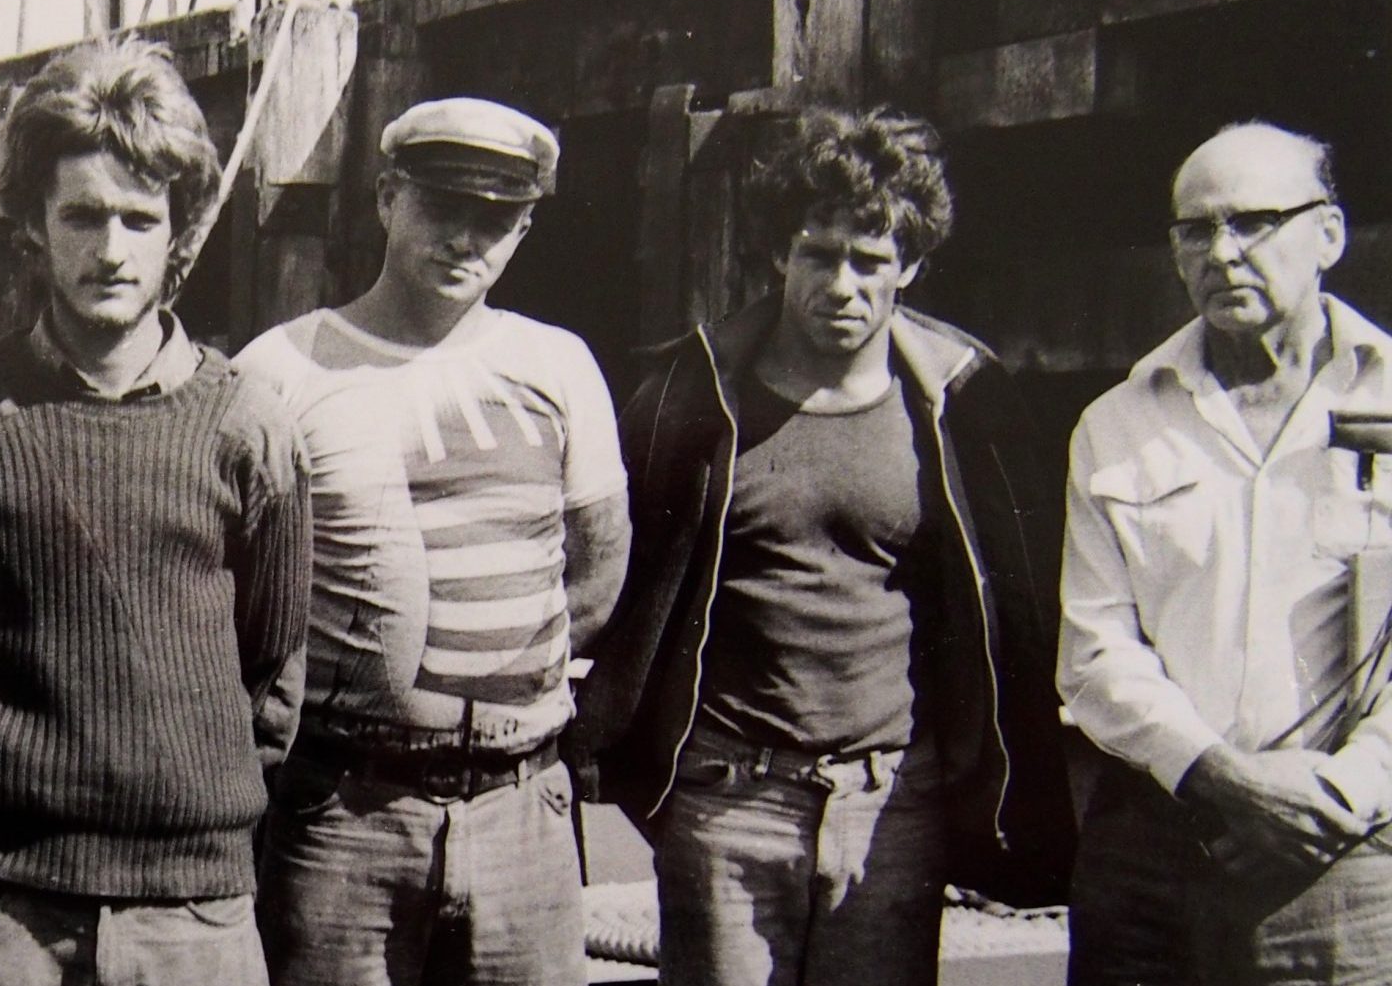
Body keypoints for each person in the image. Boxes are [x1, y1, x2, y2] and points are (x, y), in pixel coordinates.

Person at [574, 105, 1071, 986]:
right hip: (727, 799)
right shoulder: (690, 391)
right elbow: (625, 585)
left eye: (870, 259)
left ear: (910, 266)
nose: (842, 284)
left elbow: (1010, 610)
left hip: (892, 804)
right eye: (818, 253)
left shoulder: (964, 401)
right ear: (779, 254)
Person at [0, 37, 310, 986]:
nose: (111, 250)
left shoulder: (248, 425)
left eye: (138, 218)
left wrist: (181, 796)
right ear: (33, 225)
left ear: (178, 229)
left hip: (197, 914)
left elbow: (271, 671)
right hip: (10, 911)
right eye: (81, 215)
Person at [232, 97, 628, 986]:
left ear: (523, 229)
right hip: (345, 811)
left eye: (496, 218)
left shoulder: (559, 364)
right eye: (443, 206)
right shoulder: (278, 369)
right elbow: (241, 594)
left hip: (522, 806)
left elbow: (599, 564)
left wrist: (493, 691)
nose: (465, 239)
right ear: (386, 198)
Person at [1059, 121, 1392, 984]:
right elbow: (1094, 652)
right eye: (1196, 230)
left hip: (1350, 856)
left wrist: (1346, 791)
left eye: (1253, 222)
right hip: (1154, 857)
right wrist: (1227, 781)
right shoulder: (1118, 423)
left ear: (1329, 234)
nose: (1223, 252)